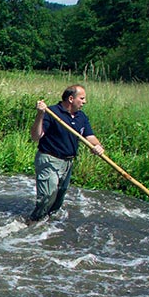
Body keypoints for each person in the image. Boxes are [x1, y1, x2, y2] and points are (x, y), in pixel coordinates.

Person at [29, 85, 104, 222]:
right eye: (82, 98)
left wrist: (98, 146)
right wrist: (40, 114)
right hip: (49, 159)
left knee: (59, 197)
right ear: (71, 99)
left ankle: (48, 225)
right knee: (47, 195)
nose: (84, 102)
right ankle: (34, 222)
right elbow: (36, 136)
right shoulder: (51, 112)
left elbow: (90, 136)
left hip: (68, 163)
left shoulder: (81, 117)